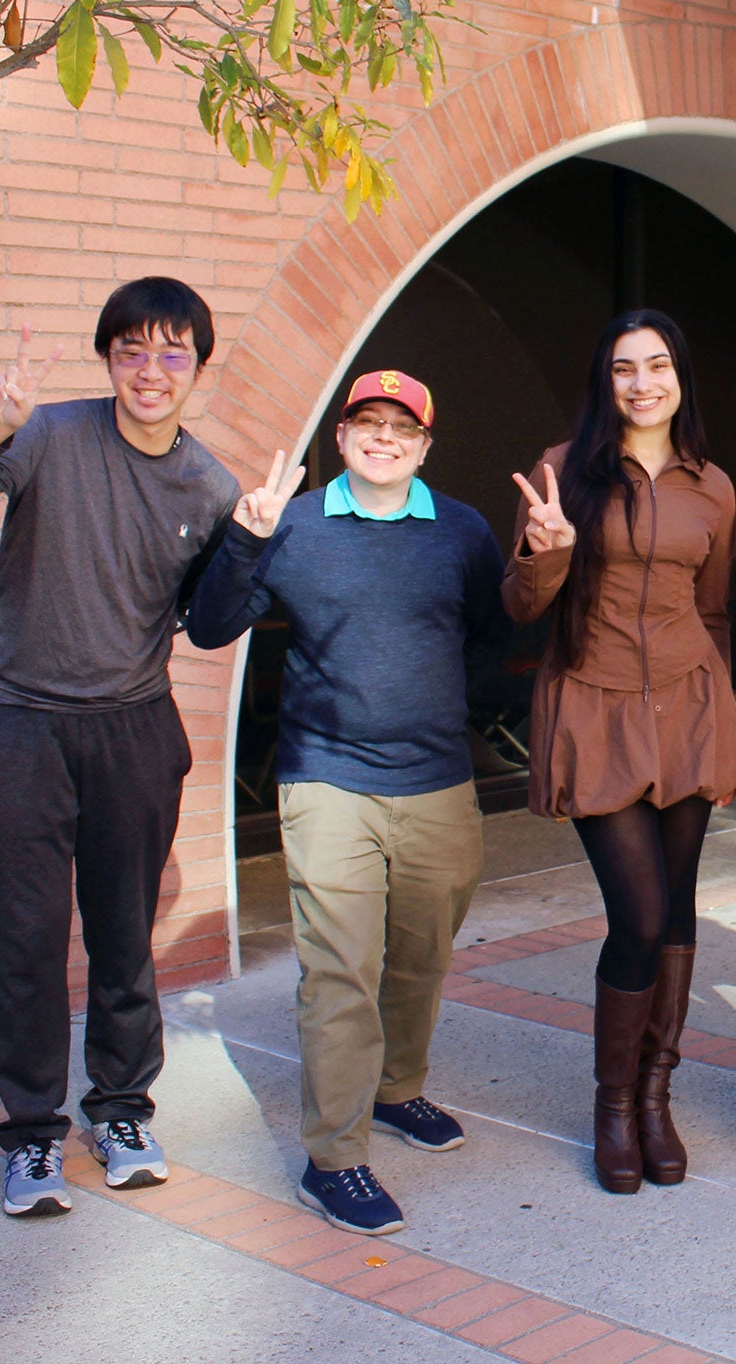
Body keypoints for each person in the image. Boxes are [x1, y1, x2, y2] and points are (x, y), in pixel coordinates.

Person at [0, 277, 240, 1219]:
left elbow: (210, 623)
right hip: (17, 726)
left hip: (132, 730)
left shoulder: (209, 484)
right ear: (108, 360)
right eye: (132, 349)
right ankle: (33, 1135)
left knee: (126, 936)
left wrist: (254, 546)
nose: (151, 370)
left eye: (174, 352)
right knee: (26, 939)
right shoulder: (47, 435)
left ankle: (123, 1111)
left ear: (198, 368)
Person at [186, 370, 511, 1235]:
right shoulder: (290, 525)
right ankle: (335, 1157)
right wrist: (244, 541)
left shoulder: (462, 531)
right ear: (342, 436)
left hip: (438, 781)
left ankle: (398, 1089)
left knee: (421, 955)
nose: (384, 437)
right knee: (340, 970)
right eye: (368, 422)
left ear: (424, 445)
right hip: (327, 779)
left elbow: (494, 638)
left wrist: (444, 711)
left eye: (401, 428)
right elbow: (211, 626)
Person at [502, 311, 736, 1195]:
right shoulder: (562, 470)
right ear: (604, 383)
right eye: (623, 369)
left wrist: (719, 717)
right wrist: (549, 555)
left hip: (686, 705)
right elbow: (522, 604)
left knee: (676, 907)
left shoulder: (711, 484)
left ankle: (655, 1097)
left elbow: (714, 611)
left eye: (657, 366)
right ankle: (612, 1104)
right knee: (637, 915)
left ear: (680, 375)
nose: (642, 383)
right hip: (595, 706)